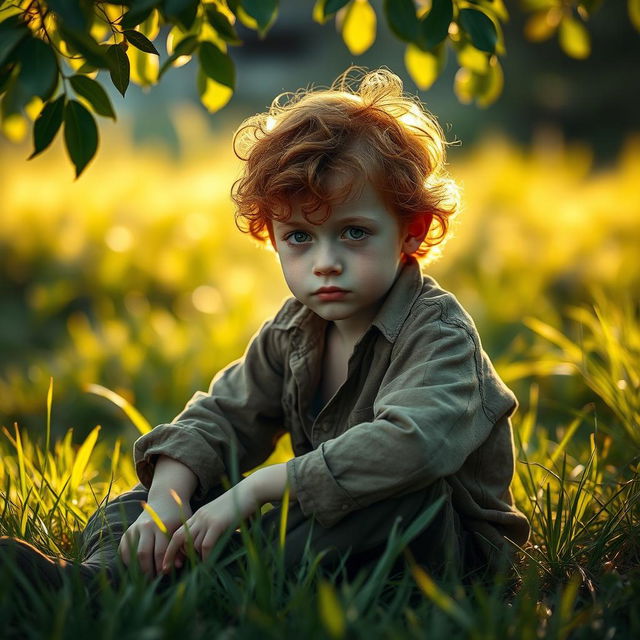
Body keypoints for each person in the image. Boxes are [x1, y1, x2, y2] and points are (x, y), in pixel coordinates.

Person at [1, 66, 530, 596]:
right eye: (300, 236)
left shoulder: (438, 333)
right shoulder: (295, 330)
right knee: (142, 501)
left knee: (384, 503)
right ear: (271, 238)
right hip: (333, 520)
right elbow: (223, 416)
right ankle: (104, 579)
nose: (326, 262)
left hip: (442, 545)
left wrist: (258, 489)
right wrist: (167, 501)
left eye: (354, 232)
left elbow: (414, 448)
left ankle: (165, 586)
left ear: (410, 230)